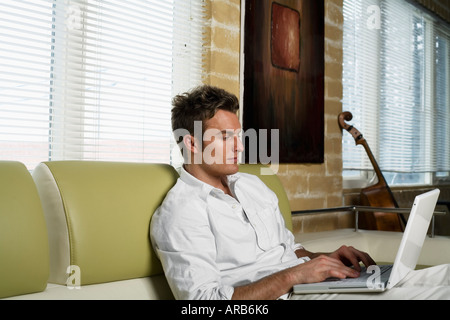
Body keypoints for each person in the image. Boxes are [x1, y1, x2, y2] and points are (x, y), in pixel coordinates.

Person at [150, 85, 376, 300]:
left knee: (408, 282)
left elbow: (288, 249)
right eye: (226, 137)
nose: (239, 147)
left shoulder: (253, 185)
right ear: (192, 144)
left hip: (312, 289)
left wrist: (324, 259)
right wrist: (295, 276)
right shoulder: (182, 212)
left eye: (238, 136)